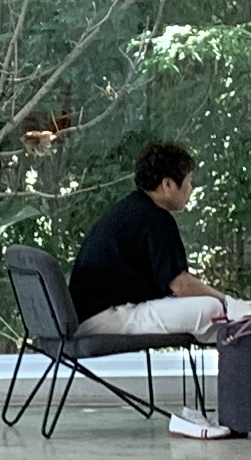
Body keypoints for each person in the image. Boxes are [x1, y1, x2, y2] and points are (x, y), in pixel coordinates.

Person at [69, 141, 241, 337]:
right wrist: (229, 302)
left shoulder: (131, 209)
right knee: (213, 310)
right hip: (104, 317)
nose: (191, 189)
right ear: (168, 184)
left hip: (90, 316)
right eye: (188, 182)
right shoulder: (155, 218)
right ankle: (242, 341)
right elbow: (181, 286)